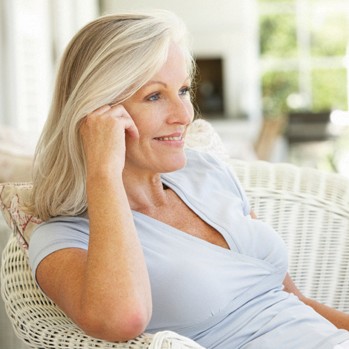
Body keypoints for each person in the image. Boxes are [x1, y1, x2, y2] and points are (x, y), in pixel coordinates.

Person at [27, 9, 349, 349]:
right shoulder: (63, 238)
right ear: (97, 114)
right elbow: (122, 320)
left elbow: (293, 301)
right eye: (154, 96)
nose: (184, 115)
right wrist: (104, 173)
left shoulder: (207, 171)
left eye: (182, 90)